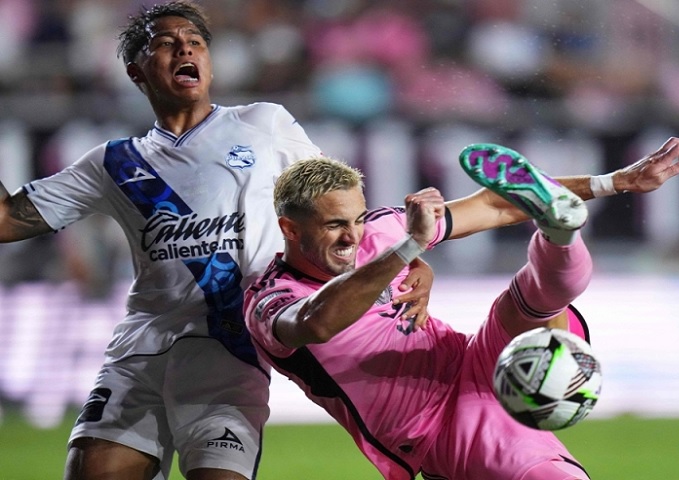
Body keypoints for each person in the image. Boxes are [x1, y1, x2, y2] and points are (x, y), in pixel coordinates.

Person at [0, 2, 436, 479]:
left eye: (196, 41)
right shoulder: (113, 163)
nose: (185, 47)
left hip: (230, 355)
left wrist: (405, 258)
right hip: (138, 356)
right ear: (136, 71)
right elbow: (6, 221)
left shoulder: (263, 124)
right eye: (164, 43)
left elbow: (335, 202)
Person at [243, 138, 679, 479]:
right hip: (434, 424)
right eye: (335, 225)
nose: (353, 237)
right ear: (290, 228)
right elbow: (317, 322)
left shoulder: (382, 232)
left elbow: (496, 205)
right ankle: (559, 236)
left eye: (358, 220)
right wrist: (410, 248)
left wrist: (617, 181)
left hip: (474, 360)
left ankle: (559, 230)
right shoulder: (268, 298)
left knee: (533, 301)